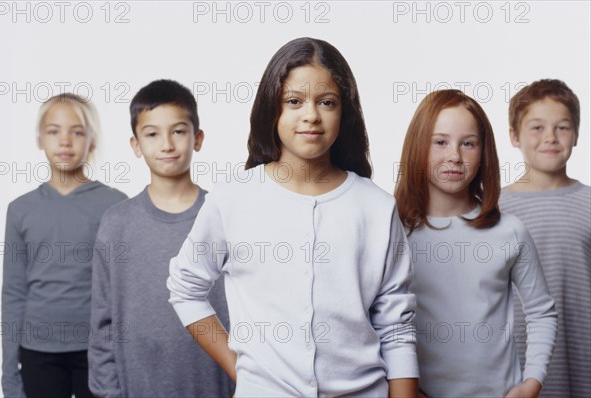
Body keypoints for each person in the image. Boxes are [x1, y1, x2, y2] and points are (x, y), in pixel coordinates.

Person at [167, 37, 419, 397]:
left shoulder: (376, 207)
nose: (311, 115)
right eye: (294, 101)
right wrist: (240, 368)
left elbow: (396, 324)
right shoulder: (233, 199)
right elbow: (185, 288)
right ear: (272, 109)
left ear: (344, 112)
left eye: (327, 102)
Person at [394, 89, 558, 398]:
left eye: (468, 143)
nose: (454, 156)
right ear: (418, 147)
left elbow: (541, 311)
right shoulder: (394, 233)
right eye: (440, 142)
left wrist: (532, 382)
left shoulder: (509, 231)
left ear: (483, 152)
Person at [87, 79, 233, 397]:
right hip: (138, 387)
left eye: (178, 131)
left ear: (198, 138)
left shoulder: (225, 217)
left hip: (218, 386)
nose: (166, 144)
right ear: (136, 145)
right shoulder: (116, 223)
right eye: (152, 134)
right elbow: (102, 322)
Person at [2, 93, 127, 398]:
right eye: (54, 131)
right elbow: (14, 293)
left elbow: (124, 292)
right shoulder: (20, 209)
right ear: (39, 139)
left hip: (96, 351)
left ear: (92, 141)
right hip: (38, 351)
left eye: (77, 131)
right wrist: (8, 374)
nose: (65, 141)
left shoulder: (114, 205)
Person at [499, 79, 591, 397]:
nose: (550, 137)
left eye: (562, 127)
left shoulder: (589, 203)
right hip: (515, 372)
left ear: (576, 134)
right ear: (514, 135)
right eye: (537, 127)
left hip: (582, 364)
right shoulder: (493, 209)